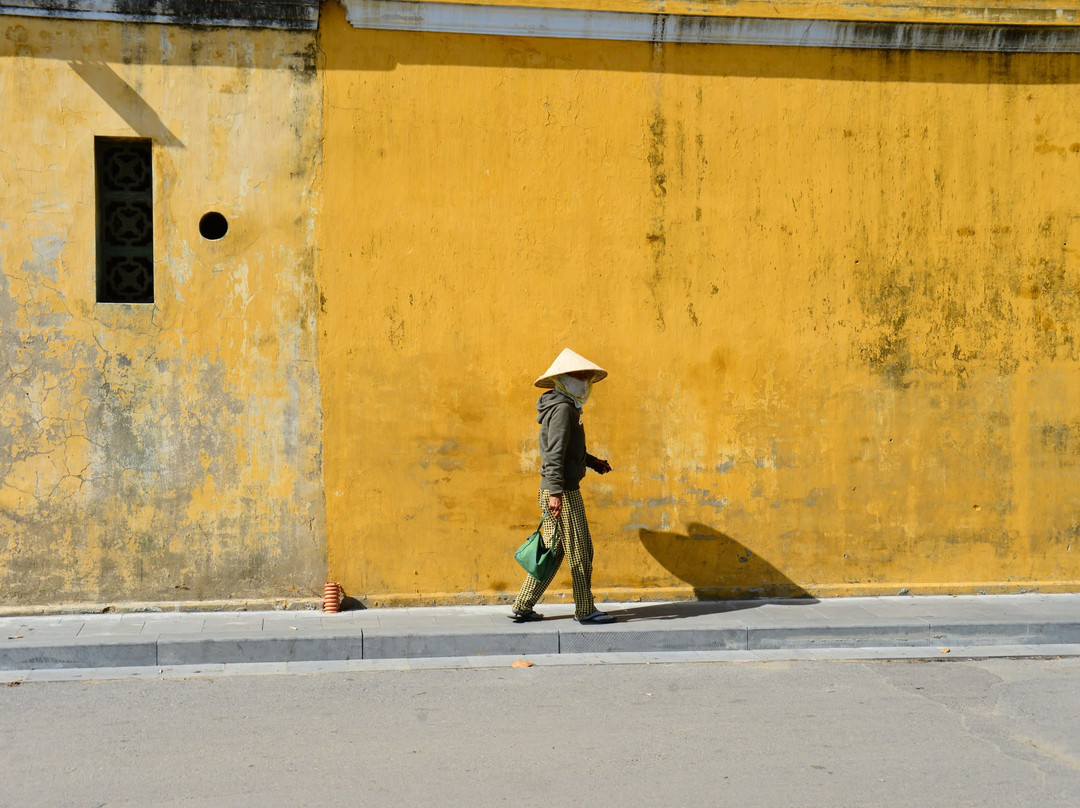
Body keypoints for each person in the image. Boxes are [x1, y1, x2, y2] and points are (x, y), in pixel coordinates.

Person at [510, 348, 616, 624]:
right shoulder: (563, 409)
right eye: (581, 376)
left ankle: (523, 604)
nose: (586, 382)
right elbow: (554, 453)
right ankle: (585, 609)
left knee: (553, 550)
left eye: (587, 377)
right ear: (566, 378)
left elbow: (567, 449)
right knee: (581, 550)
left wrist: (592, 462)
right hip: (563, 492)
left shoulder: (564, 406)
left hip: (558, 488)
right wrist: (556, 493)